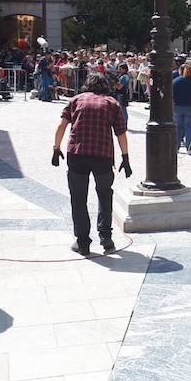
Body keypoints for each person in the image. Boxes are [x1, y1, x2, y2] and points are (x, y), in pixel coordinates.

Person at [53, 74, 131, 256]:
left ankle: (82, 242)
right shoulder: (112, 103)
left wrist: (56, 148)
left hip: (77, 154)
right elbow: (121, 133)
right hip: (102, 155)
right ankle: (106, 238)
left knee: (78, 198)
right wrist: (125, 157)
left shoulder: (75, 100)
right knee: (104, 195)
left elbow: (62, 126)